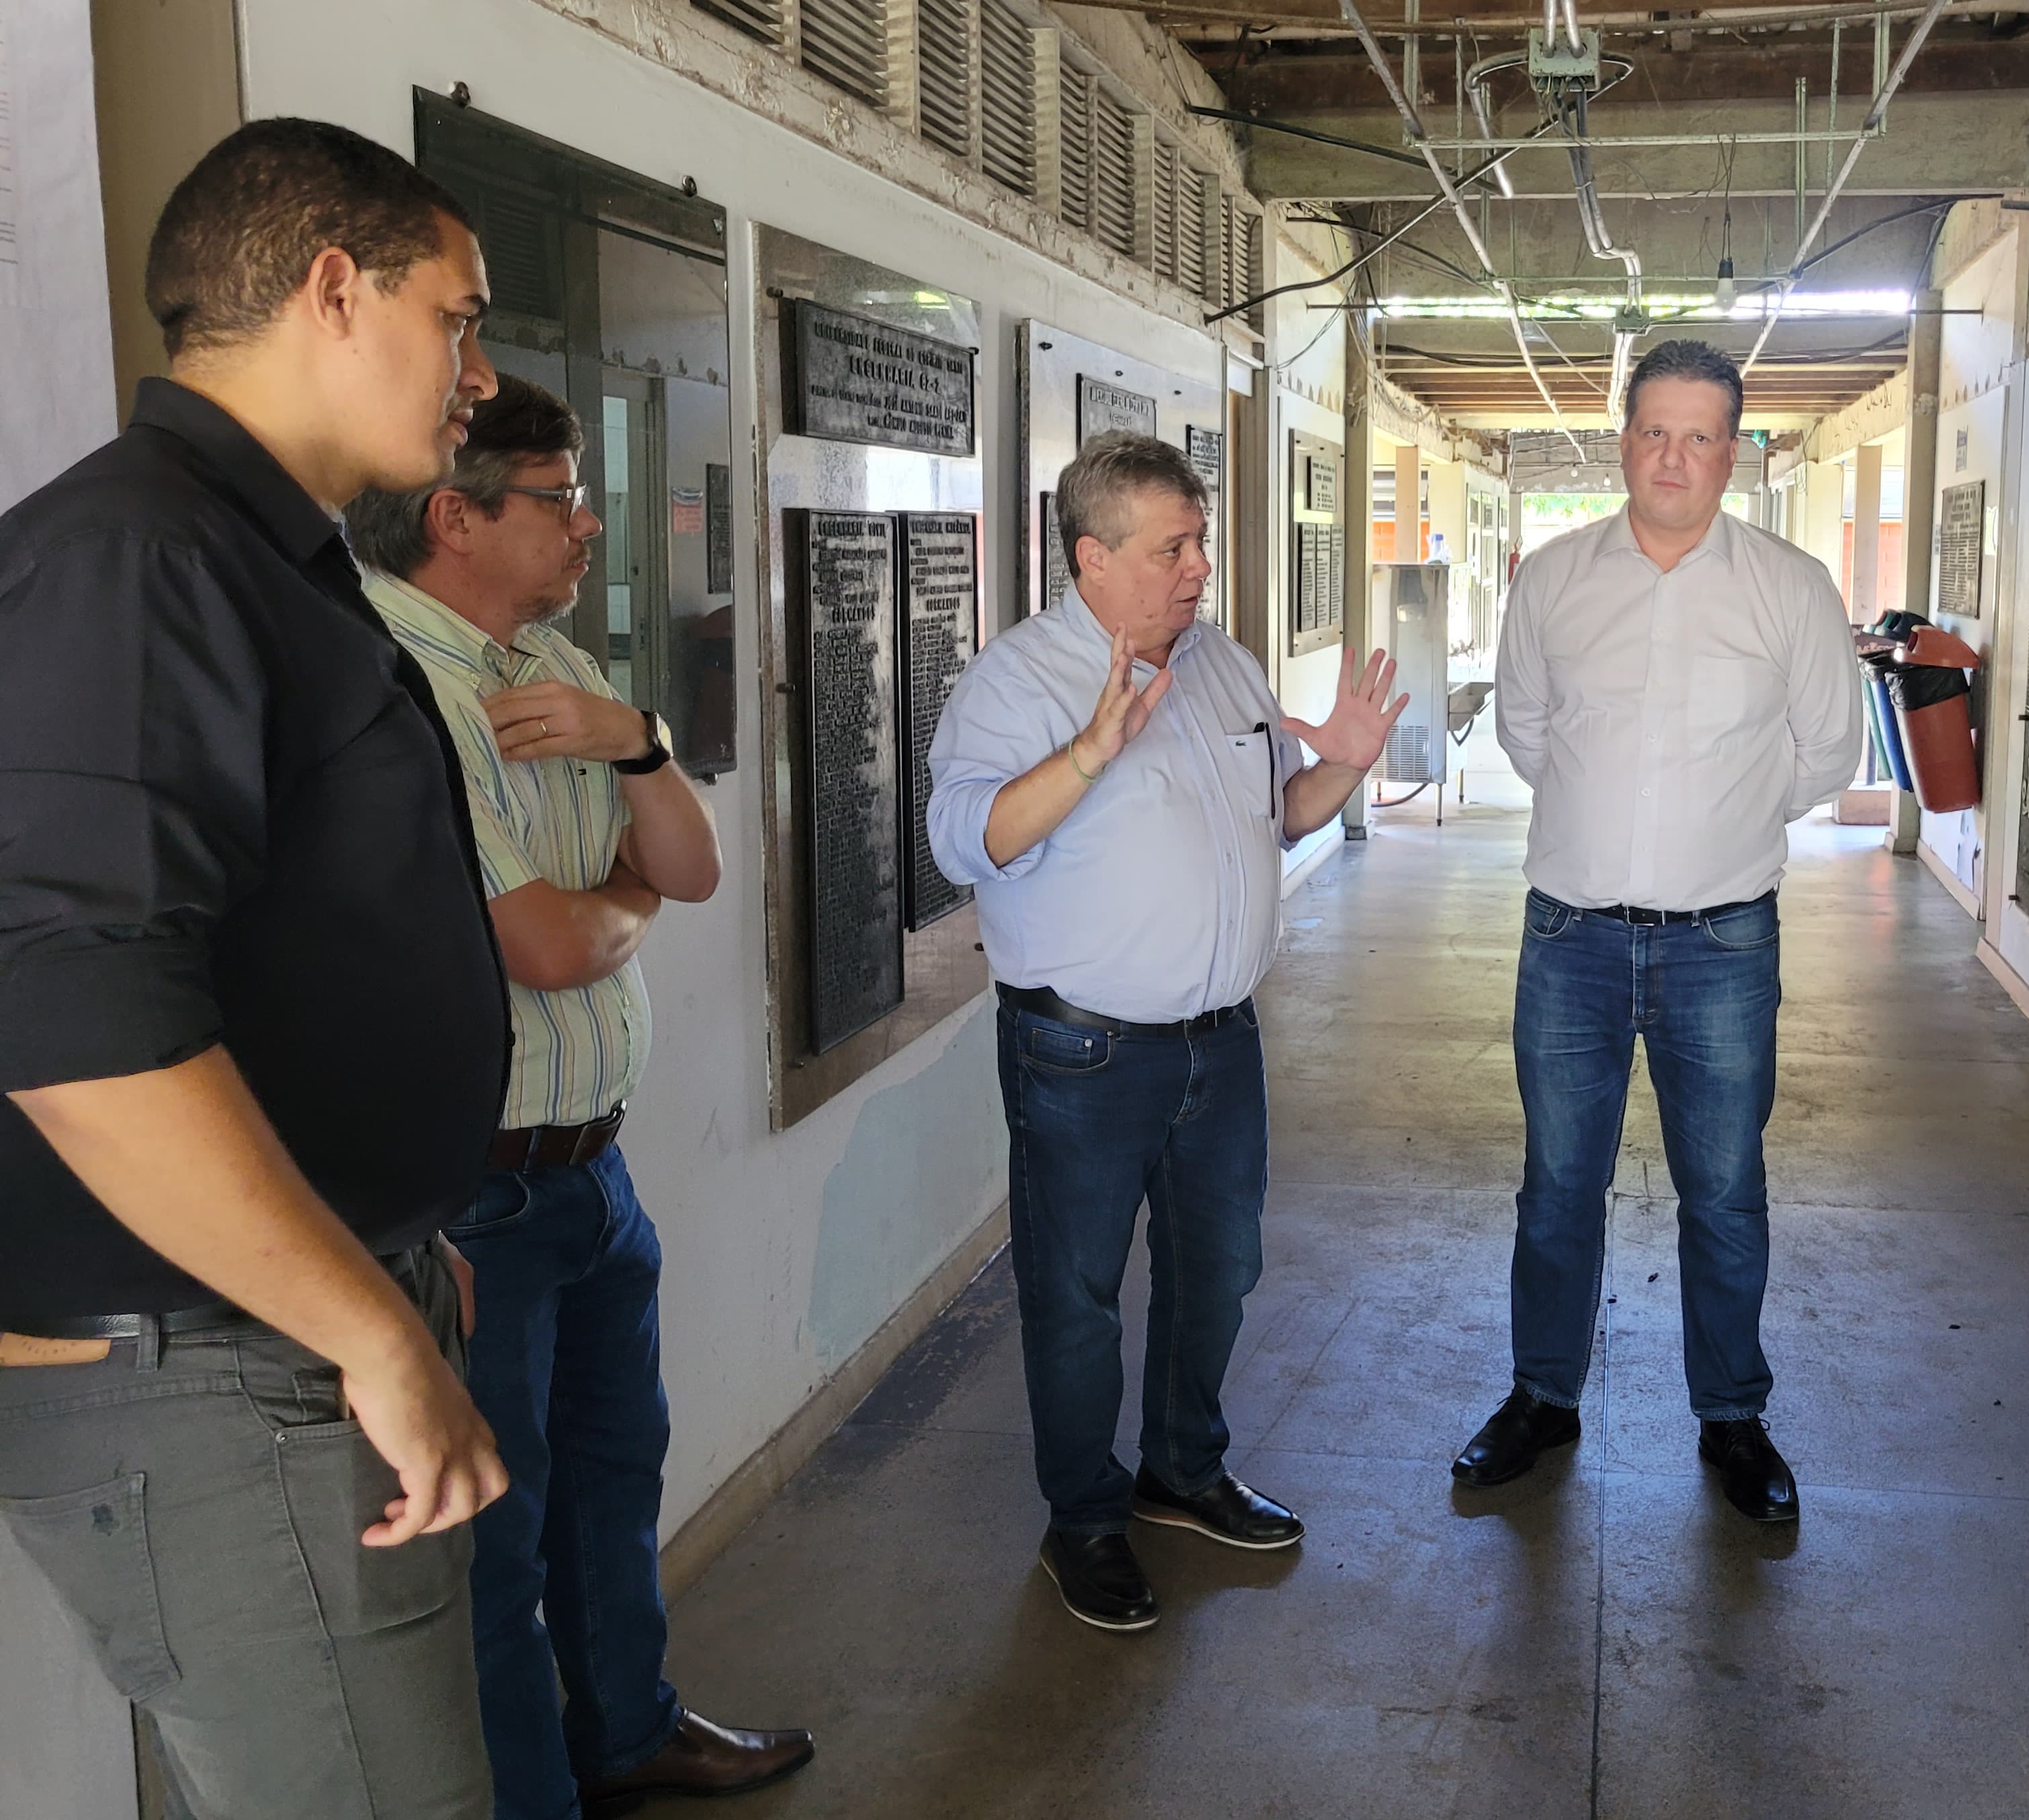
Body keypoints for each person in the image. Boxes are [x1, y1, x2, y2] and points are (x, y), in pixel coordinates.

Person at [0, 119, 512, 1816]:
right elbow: (81, 1027)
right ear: (335, 286)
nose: (480, 370)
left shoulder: (256, 554)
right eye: (461, 315)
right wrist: (366, 1330)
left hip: (275, 1345)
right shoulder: (138, 558)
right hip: (215, 1376)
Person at [347, 380, 811, 1819]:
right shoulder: (394, 686)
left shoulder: (550, 662)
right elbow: (549, 941)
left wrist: (641, 750)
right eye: (556, 496)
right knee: (503, 1530)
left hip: (592, 1172)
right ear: (456, 515)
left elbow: (691, 870)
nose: (589, 522)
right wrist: (619, 896)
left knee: (614, 1478)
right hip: (472, 1194)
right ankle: (536, 1790)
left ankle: (629, 1727)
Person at [927, 431, 1408, 1631]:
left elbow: (1275, 821)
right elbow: (961, 842)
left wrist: (1342, 768)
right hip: (1081, 1056)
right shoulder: (1018, 682)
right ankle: (1084, 1521)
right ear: (1092, 558)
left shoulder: (1225, 666)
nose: (1198, 568)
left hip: (1220, 1045)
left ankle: (1183, 1474)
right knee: (1078, 1294)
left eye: (1200, 544)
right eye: (1173, 548)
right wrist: (1091, 752)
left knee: (1220, 1270)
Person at [1452, 338, 1864, 1521]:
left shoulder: (1788, 588)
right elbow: (1527, 735)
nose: (1673, 457)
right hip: (1569, 939)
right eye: (1653, 432)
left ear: (1732, 451)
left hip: (1724, 945)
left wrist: (1715, 828)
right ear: (1620, 440)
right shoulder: (1555, 582)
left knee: (1725, 1189)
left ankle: (1731, 1415)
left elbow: (1825, 755)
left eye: (1699, 436)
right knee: (1557, 1185)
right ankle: (1543, 1397)